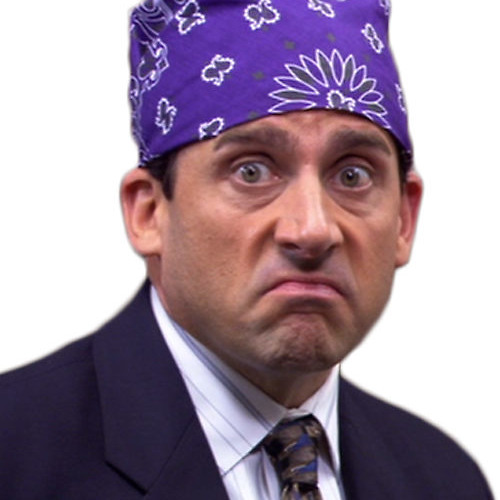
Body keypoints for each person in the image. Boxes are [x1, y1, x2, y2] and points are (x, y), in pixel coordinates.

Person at [0, 0, 493, 498]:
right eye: (251, 171)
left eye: (352, 175)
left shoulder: (445, 480)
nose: (313, 229)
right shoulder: (15, 458)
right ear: (148, 214)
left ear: (404, 220)